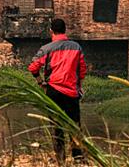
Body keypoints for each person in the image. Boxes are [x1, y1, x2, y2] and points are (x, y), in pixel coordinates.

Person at [28, 17, 87, 162]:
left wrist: (40, 81)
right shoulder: (76, 47)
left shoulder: (46, 49)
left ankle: (60, 158)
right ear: (65, 30)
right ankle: (78, 157)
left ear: (51, 31)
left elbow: (33, 67)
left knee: (56, 125)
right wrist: (79, 85)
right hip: (72, 92)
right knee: (74, 125)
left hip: (53, 91)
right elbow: (82, 70)